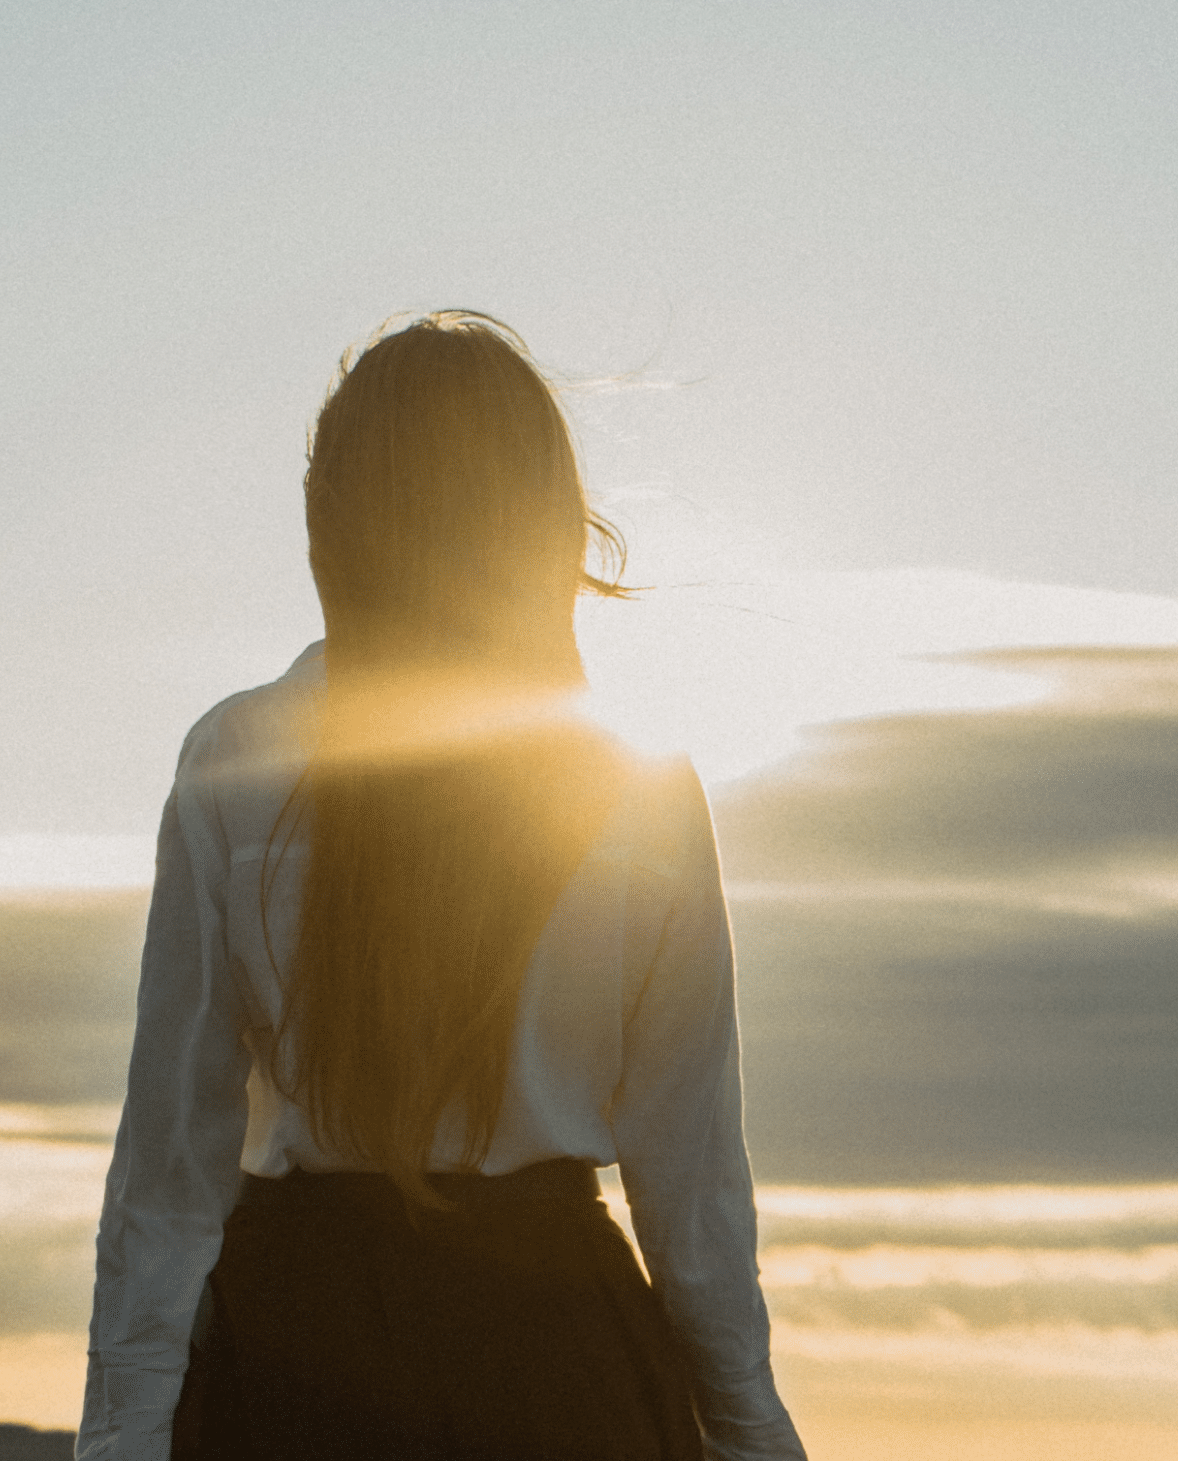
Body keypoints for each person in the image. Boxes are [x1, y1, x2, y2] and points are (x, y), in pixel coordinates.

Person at [79, 311, 807, 1461]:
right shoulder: (642, 791)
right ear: (541, 519)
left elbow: (173, 1165)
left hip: (295, 1364)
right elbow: (692, 1184)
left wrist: (119, 1440)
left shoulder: (237, 760)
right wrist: (752, 1433)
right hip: (562, 1371)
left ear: (337, 520)